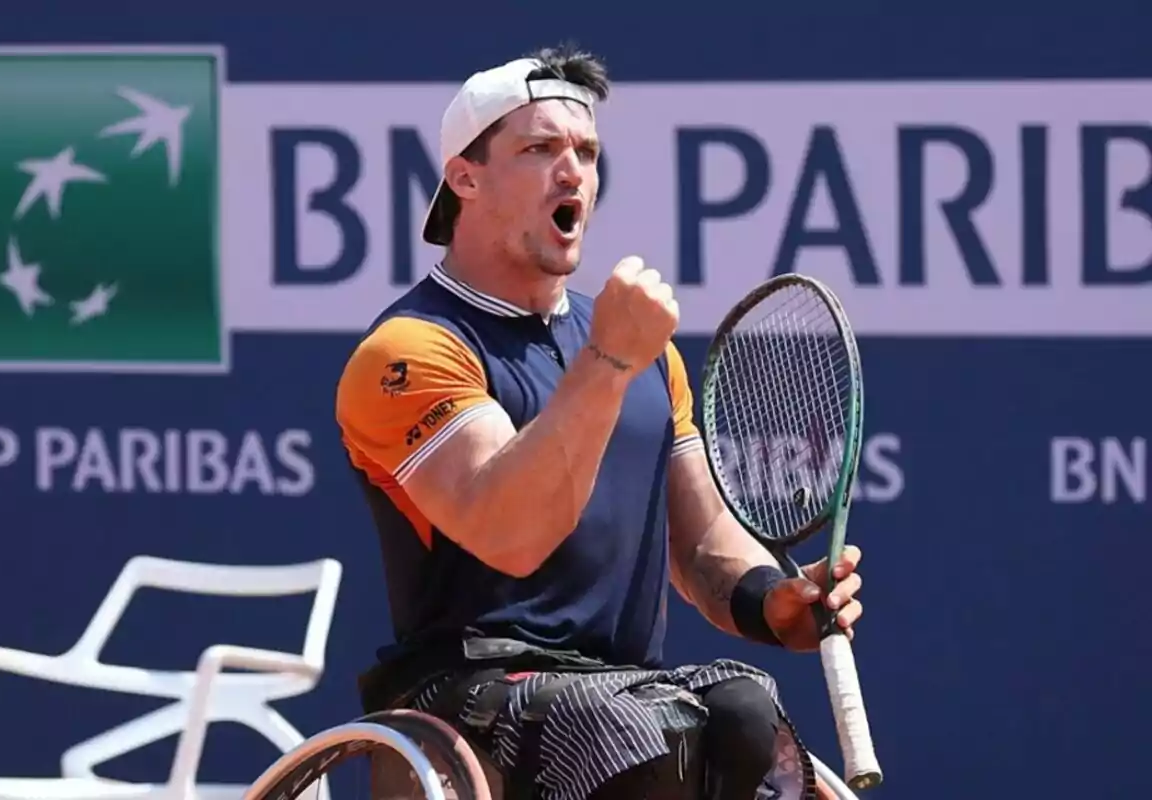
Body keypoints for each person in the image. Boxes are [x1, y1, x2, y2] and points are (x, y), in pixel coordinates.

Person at [336, 44, 865, 800]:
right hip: (469, 691)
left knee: (746, 708)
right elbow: (510, 532)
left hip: (626, 693)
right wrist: (608, 363)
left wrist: (768, 602)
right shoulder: (408, 352)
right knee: (636, 732)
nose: (573, 171)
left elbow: (705, 543)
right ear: (465, 177)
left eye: (586, 152)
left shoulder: (643, 351)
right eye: (540, 148)